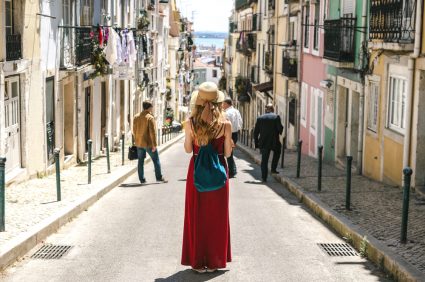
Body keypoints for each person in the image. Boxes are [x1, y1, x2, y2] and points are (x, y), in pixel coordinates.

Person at [181, 82, 233, 273]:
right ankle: (214, 261)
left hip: (196, 171)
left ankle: (198, 261)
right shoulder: (225, 125)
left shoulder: (190, 123)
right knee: (217, 217)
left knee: (197, 216)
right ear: (219, 102)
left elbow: (188, 150)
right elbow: (227, 154)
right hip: (219, 173)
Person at [132, 101, 167, 184]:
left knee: (140, 161)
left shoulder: (136, 117)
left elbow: (134, 130)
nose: (152, 108)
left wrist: (135, 141)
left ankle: (142, 179)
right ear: (149, 108)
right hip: (148, 144)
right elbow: (152, 132)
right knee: (156, 160)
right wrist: (154, 145)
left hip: (139, 143)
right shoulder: (150, 117)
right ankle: (159, 177)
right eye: (152, 107)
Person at [254, 104, 284, 182]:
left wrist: (256, 143)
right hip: (274, 141)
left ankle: (264, 177)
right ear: (273, 109)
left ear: (266, 110)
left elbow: (256, 132)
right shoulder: (276, 117)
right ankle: (273, 169)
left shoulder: (260, 118)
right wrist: (280, 130)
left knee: (264, 160)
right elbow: (280, 129)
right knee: (277, 152)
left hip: (263, 142)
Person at [222, 98, 242, 178]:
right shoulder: (236, 111)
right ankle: (233, 170)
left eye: (223, 104)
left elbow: (226, 125)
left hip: (228, 134)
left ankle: (231, 171)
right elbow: (240, 122)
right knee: (230, 152)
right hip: (235, 134)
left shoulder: (227, 113)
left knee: (227, 152)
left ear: (227, 104)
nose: (222, 105)